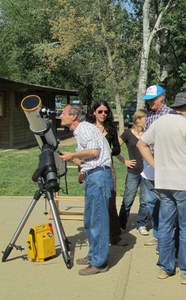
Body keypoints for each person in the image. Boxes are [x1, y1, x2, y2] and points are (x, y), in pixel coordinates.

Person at [137, 92, 186, 285]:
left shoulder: (160, 122)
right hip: (185, 183)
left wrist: (156, 165)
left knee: (166, 226)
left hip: (164, 182)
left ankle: (165, 267)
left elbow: (141, 144)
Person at [60, 103, 114, 276]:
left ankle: (100, 262)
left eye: (63, 113)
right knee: (90, 221)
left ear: (73, 116)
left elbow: (94, 152)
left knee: (97, 221)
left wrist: (72, 155)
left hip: (98, 177)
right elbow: (87, 158)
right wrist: (80, 168)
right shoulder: (82, 130)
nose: (60, 116)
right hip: (94, 176)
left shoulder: (83, 128)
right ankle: (93, 256)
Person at [87, 100, 126, 247]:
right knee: (95, 204)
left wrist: (108, 151)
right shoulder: (89, 128)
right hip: (92, 168)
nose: (103, 114)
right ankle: (97, 239)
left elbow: (117, 149)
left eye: (106, 112)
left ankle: (115, 236)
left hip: (108, 167)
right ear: (94, 113)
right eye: (100, 112)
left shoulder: (110, 128)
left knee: (110, 201)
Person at [141, 84, 173, 247]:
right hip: (151, 163)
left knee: (166, 201)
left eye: (152, 99)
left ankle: (166, 235)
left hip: (166, 163)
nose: (150, 103)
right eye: (148, 100)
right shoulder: (150, 115)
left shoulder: (170, 114)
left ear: (162, 98)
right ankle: (157, 233)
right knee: (152, 201)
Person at [116, 109, 149, 235]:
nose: (147, 120)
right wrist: (124, 161)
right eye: (145, 118)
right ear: (137, 120)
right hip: (133, 172)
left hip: (147, 173)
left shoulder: (149, 133)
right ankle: (121, 224)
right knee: (128, 198)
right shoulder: (128, 134)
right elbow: (115, 148)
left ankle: (141, 224)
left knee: (145, 200)